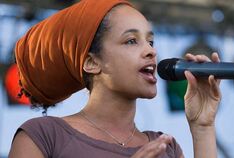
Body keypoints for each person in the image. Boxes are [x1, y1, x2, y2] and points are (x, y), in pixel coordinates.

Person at [8, 0, 221, 157]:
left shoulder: (165, 147)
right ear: (92, 62)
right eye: (131, 41)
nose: (150, 51)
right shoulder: (43, 136)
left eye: (151, 42)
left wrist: (203, 127)